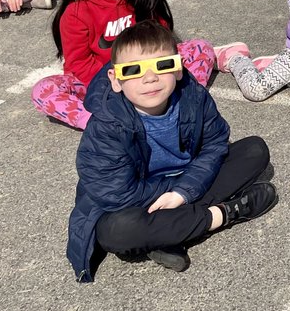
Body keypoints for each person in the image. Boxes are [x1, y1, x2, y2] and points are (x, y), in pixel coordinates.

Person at [66, 22, 276, 282]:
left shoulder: (192, 96)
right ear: (116, 80)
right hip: (136, 199)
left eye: (162, 65)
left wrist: (183, 192)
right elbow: (117, 194)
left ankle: (167, 234)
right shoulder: (107, 125)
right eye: (133, 70)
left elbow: (214, 144)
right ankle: (224, 213)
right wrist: (178, 194)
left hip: (187, 179)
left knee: (254, 150)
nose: (150, 78)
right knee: (115, 232)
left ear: (177, 68)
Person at [30, 0, 216, 130]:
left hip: (151, 76)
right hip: (107, 85)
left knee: (200, 47)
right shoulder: (76, 12)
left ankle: (186, 103)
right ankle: (105, 125)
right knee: (44, 89)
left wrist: (153, 75)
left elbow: (163, 43)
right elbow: (79, 64)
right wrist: (121, 85)